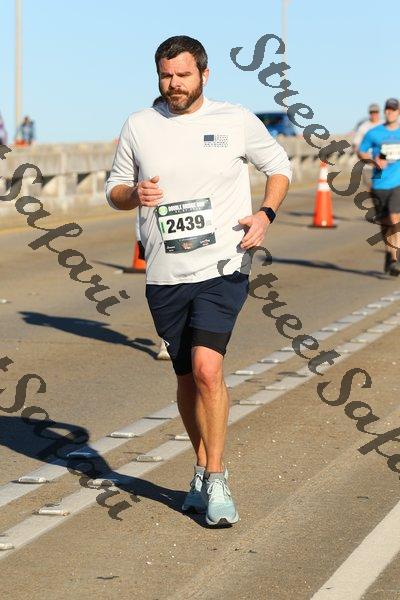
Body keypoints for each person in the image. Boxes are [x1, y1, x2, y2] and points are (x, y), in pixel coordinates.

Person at [105, 35, 291, 526]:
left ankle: (218, 476)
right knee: (187, 376)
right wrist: (133, 195)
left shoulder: (234, 119)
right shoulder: (139, 125)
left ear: (204, 75)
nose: (174, 84)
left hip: (224, 264)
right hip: (165, 273)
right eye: (166, 76)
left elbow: (279, 166)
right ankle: (201, 467)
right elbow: (113, 189)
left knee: (209, 369)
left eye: (183, 75)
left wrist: (265, 214)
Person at [358, 98, 400, 276]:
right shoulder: (374, 133)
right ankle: (389, 254)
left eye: (393, 109)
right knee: (385, 224)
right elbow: (361, 151)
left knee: (395, 218)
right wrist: (372, 160)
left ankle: (396, 258)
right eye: (387, 109)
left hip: (398, 183)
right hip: (379, 184)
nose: (390, 112)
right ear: (384, 112)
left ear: (398, 112)